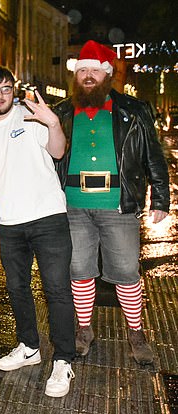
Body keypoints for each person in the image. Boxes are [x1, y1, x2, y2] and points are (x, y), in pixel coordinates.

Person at [0, 66, 76, 397]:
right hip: (9, 223)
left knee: (56, 289)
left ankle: (64, 360)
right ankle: (29, 346)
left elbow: (57, 151)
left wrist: (52, 122)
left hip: (48, 217)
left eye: (5, 88)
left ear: (13, 90)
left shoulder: (31, 116)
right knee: (17, 288)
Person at [52, 40, 170, 365]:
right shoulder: (61, 112)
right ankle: (84, 330)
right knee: (79, 270)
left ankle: (136, 333)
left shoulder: (134, 110)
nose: (87, 76)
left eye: (94, 70)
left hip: (118, 204)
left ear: (106, 75)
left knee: (127, 272)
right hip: (72, 205)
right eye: (82, 71)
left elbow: (153, 157)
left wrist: (161, 198)